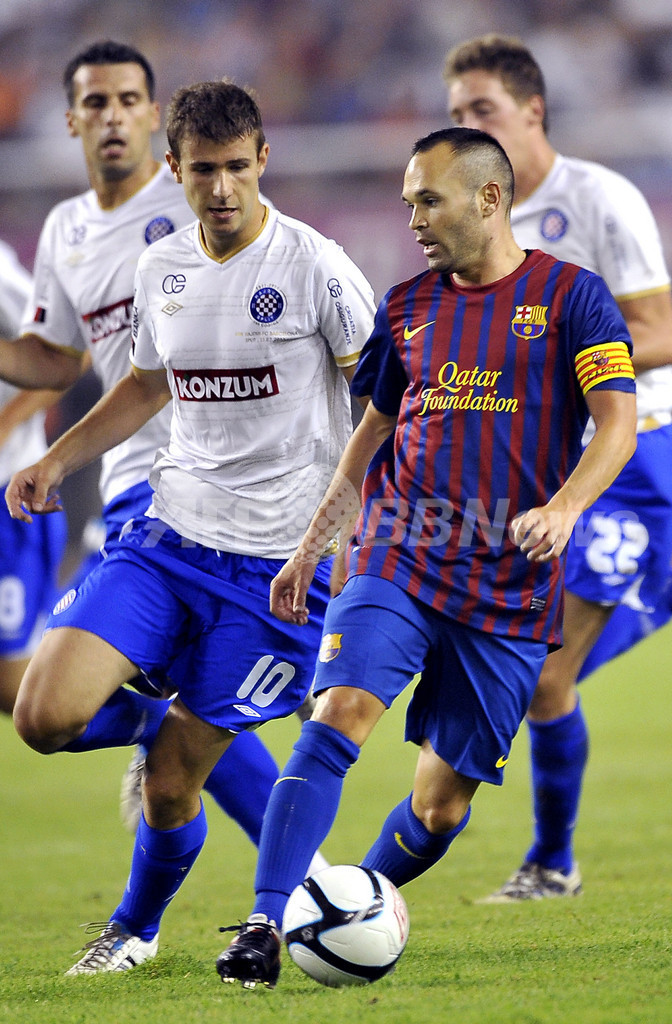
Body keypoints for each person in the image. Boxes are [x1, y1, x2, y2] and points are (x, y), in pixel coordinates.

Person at [213, 126, 638, 990]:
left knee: (440, 808)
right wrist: (312, 547)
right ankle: (266, 920)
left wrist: (564, 507)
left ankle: (352, 906)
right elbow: (369, 437)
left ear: (488, 198)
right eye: (409, 202)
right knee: (337, 715)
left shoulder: (571, 298)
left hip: (510, 587)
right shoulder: (406, 307)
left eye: (428, 200)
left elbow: (618, 424)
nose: (413, 219)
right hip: (402, 551)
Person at [6, 78, 376, 975]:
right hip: (168, 539)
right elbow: (145, 384)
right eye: (203, 169)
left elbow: (383, 407)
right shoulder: (162, 268)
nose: (221, 188)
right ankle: (149, 719)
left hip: (276, 572)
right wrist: (57, 460)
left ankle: (133, 928)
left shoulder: (317, 267)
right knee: (41, 717)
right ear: (174, 167)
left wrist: (351, 540)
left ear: (263, 160)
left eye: (237, 168)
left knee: (174, 786)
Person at [443, 33, 672, 903]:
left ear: (532, 111)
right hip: (542, 466)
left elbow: (662, 336)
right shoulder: (478, 221)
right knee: (526, 665)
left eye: (483, 109)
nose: (469, 125)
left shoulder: (599, 199)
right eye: (457, 114)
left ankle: (553, 864)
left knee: (545, 675)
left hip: (628, 456)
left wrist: (558, 359)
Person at [0, 40, 302, 850]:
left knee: (118, 710)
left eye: (129, 100)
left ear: (154, 119)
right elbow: (57, 360)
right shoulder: (67, 229)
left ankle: (299, 879)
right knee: (73, 707)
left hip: (206, 491)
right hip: (129, 487)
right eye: (96, 102)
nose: (113, 117)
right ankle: (304, 878)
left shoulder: (200, 201)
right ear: (71, 119)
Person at [0, 240, 67, 714]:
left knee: (14, 689)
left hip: (6, 497)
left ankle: (165, 727)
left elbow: (67, 354)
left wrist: (3, 425)